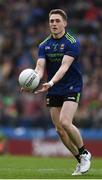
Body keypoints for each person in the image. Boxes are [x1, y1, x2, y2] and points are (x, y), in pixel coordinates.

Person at [22, 9, 91, 175]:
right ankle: (80, 160)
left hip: (71, 85)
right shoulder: (43, 45)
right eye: (51, 21)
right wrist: (33, 81)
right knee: (59, 130)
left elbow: (64, 67)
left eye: (57, 21)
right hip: (53, 88)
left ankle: (84, 153)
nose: (54, 24)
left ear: (65, 23)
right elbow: (39, 68)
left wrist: (51, 81)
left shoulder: (72, 42)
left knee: (65, 122)